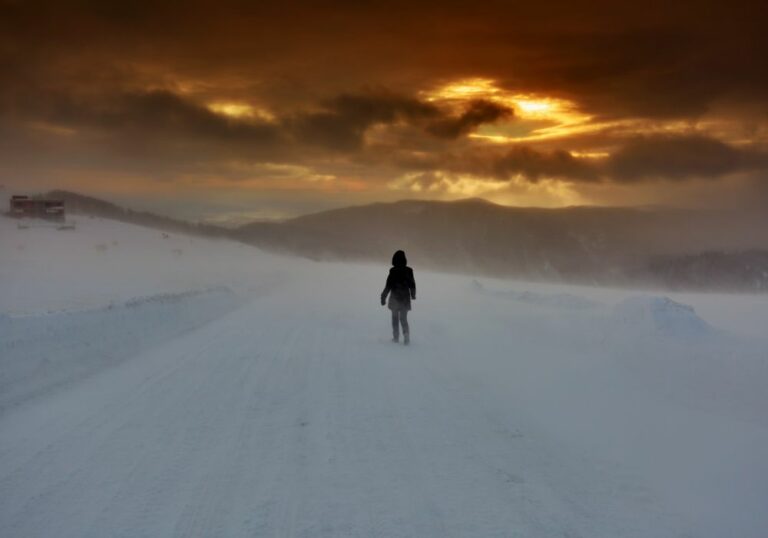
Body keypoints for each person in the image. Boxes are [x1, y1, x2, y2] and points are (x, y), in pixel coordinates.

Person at [380, 250, 416, 344]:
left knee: (395, 318)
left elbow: (388, 285)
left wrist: (383, 297)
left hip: (395, 298)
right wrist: (413, 295)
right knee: (403, 318)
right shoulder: (409, 270)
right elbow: (412, 284)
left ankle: (396, 337)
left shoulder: (393, 271)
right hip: (405, 298)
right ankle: (406, 335)